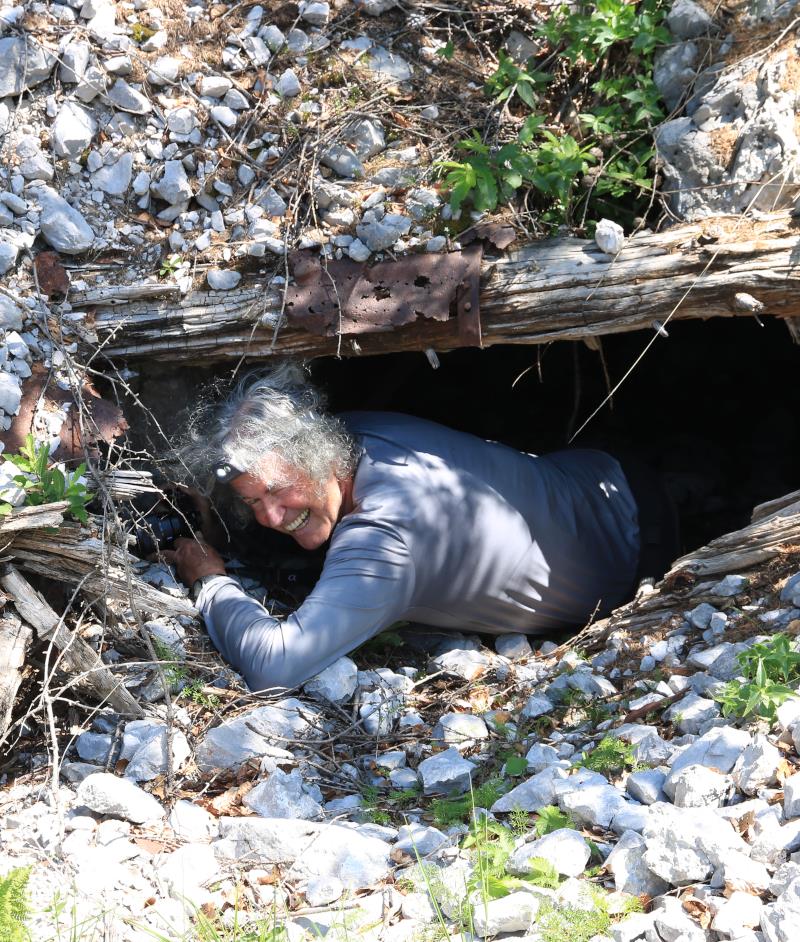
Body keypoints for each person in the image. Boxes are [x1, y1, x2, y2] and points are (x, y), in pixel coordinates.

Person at [166, 364, 677, 692]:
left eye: (279, 491)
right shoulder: (351, 431)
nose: (269, 517)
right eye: (252, 501)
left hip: (642, 556)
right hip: (602, 470)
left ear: (318, 454)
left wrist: (211, 582)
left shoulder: (385, 537)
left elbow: (274, 665)